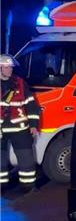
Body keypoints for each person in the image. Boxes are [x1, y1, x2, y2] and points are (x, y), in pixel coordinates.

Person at [1, 55, 40, 188]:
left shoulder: (20, 83)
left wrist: (34, 125)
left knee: (26, 160)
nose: (9, 70)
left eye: (10, 67)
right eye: (6, 67)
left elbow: (31, 105)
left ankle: (28, 186)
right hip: (1, 130)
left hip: (20, 129)